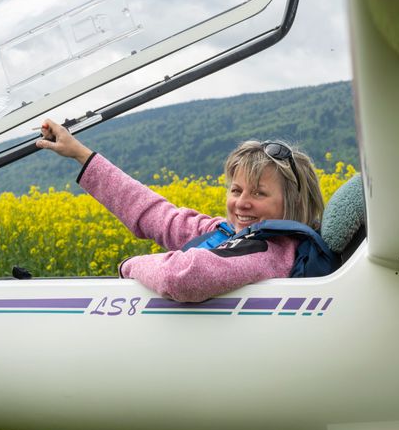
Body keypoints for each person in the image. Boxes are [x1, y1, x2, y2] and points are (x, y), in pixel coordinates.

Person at [36, 118, 326, 302]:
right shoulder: (231, 233)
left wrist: (128, 266)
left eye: (259, 194)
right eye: (236, 190)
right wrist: (79, 153)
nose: (241, 203)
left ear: (293, 204)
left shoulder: (270, 250)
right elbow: (158, 216)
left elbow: (183, 276)